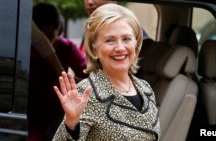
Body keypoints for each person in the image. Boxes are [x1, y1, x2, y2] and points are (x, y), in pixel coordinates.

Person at [52, 3, 160, 141]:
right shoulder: (86, 93)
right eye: (110, 40)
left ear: (136, 43)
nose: (120, 48)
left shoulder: (146, 89)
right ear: (94, 48)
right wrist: (71, 123)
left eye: (126, 39)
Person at [28, 3, 88, 141]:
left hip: (54, 120)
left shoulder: (66, 48)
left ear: (58, 30)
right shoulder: (21, 49)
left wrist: (68, 80)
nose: (45, 42)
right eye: (40, 36)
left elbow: (89, 80)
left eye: (50, 35)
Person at [80, 0, 149, 56]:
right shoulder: (90, 30)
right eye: (109, 40)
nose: (89, 2)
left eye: (126, 39)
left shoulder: (137, 33)